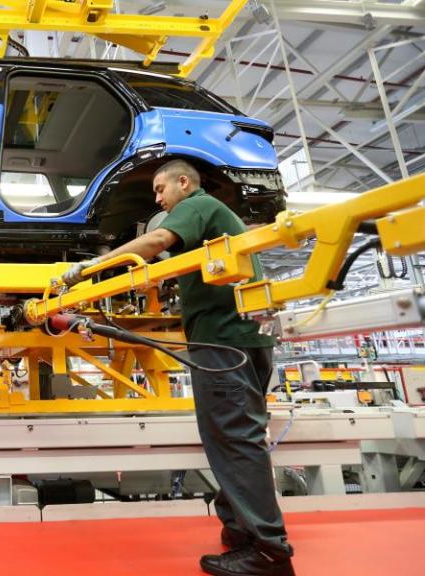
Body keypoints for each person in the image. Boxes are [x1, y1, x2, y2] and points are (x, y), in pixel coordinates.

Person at [64, 159, 294, 576]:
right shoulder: (212, 218)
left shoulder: (195, 205)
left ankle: (268, 551)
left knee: (233, 439)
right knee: (237, 435)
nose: (157, 199)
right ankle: (241, 529)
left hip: (223, 341)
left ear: (183, 183)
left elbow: (154, 243)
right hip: (245, 339)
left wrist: (87, 269)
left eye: (159, 189)